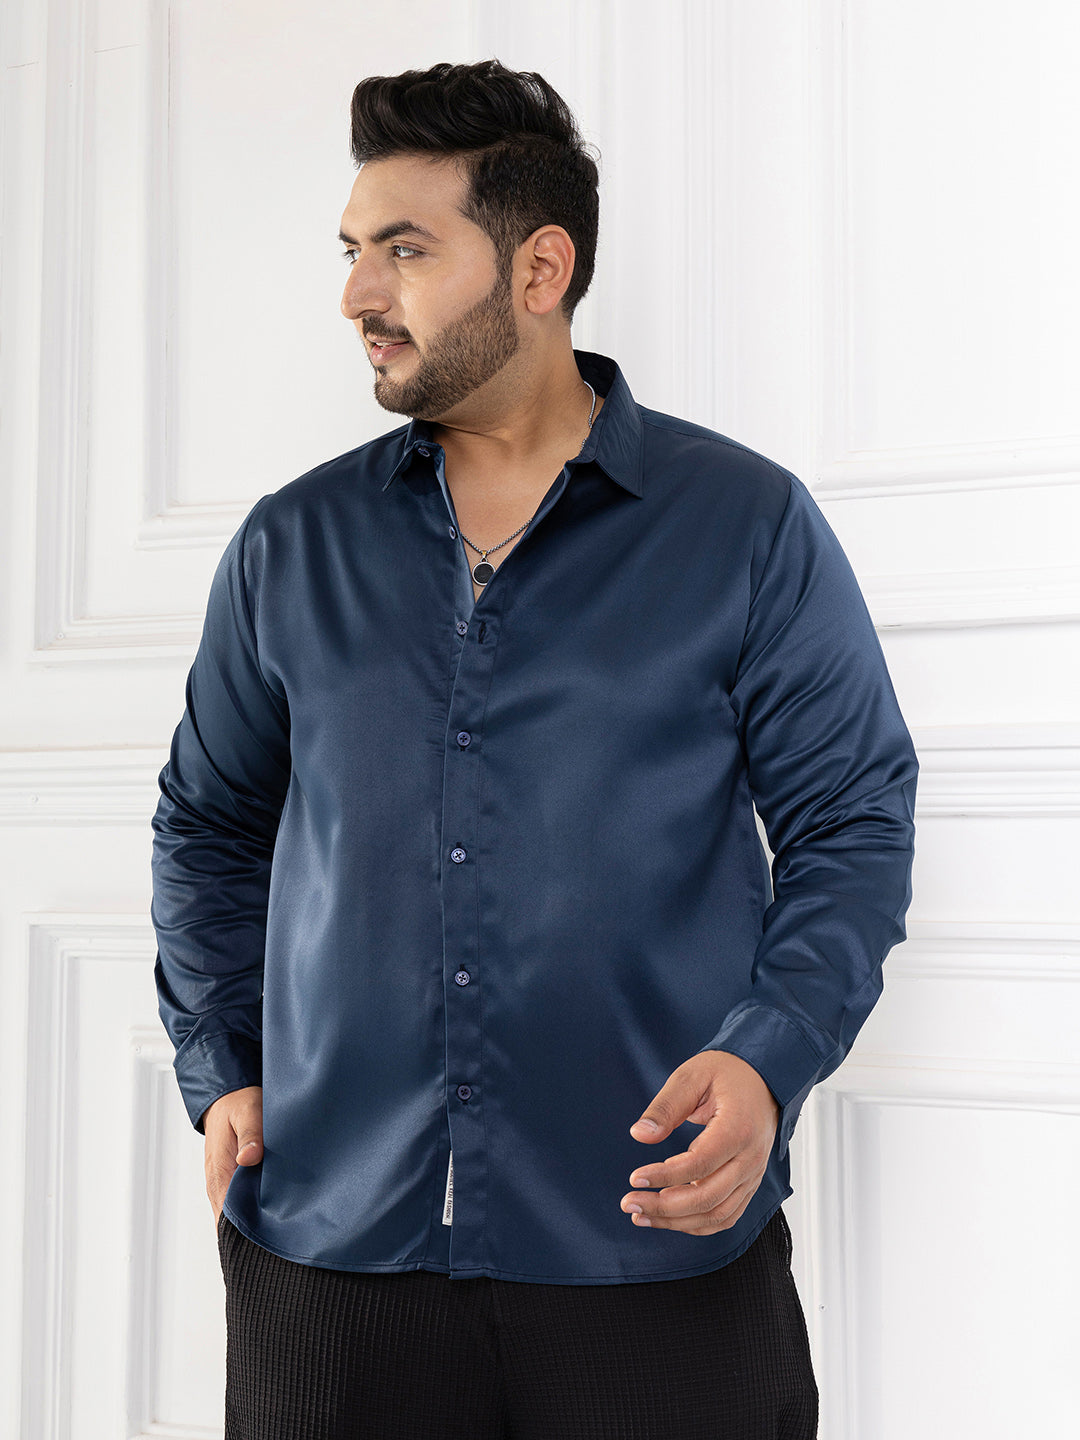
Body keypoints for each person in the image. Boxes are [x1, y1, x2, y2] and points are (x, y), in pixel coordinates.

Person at [150, 58, 917, 1440]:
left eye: (404, 250)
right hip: (332, 1254)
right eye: (350, 250)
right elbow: (207, 824)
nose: (356, 293)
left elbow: (851, 818)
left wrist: (769, 1056)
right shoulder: (290, 545)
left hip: (655, 1236)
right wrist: (225, 1064)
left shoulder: (744, 526)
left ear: (540, 268)